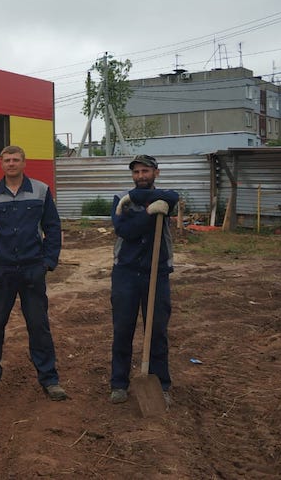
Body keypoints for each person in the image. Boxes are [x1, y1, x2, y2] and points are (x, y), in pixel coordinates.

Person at [0, 145, 67, 401]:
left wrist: (48, 262)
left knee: (38, 325)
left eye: (16, 160)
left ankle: (49, 379)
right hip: (1, 270)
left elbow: (52, 227)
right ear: (1, 164)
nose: (11, 164)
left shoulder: (41, 190)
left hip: (32, 269)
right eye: (7, 160)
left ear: (24, 163)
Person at [109, 154, 179, 406]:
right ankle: (119, 384)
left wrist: (147, 202)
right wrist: (149, 212)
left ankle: (161, 384)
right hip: (126, 273)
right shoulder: (120, 199)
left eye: (145, 171)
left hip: (156, 273)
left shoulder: (165, 198)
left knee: (157, 331)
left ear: (155, 173)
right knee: (122, 329)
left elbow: (174, 197)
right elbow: (125, 231)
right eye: (136, 172)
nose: (140, 176)